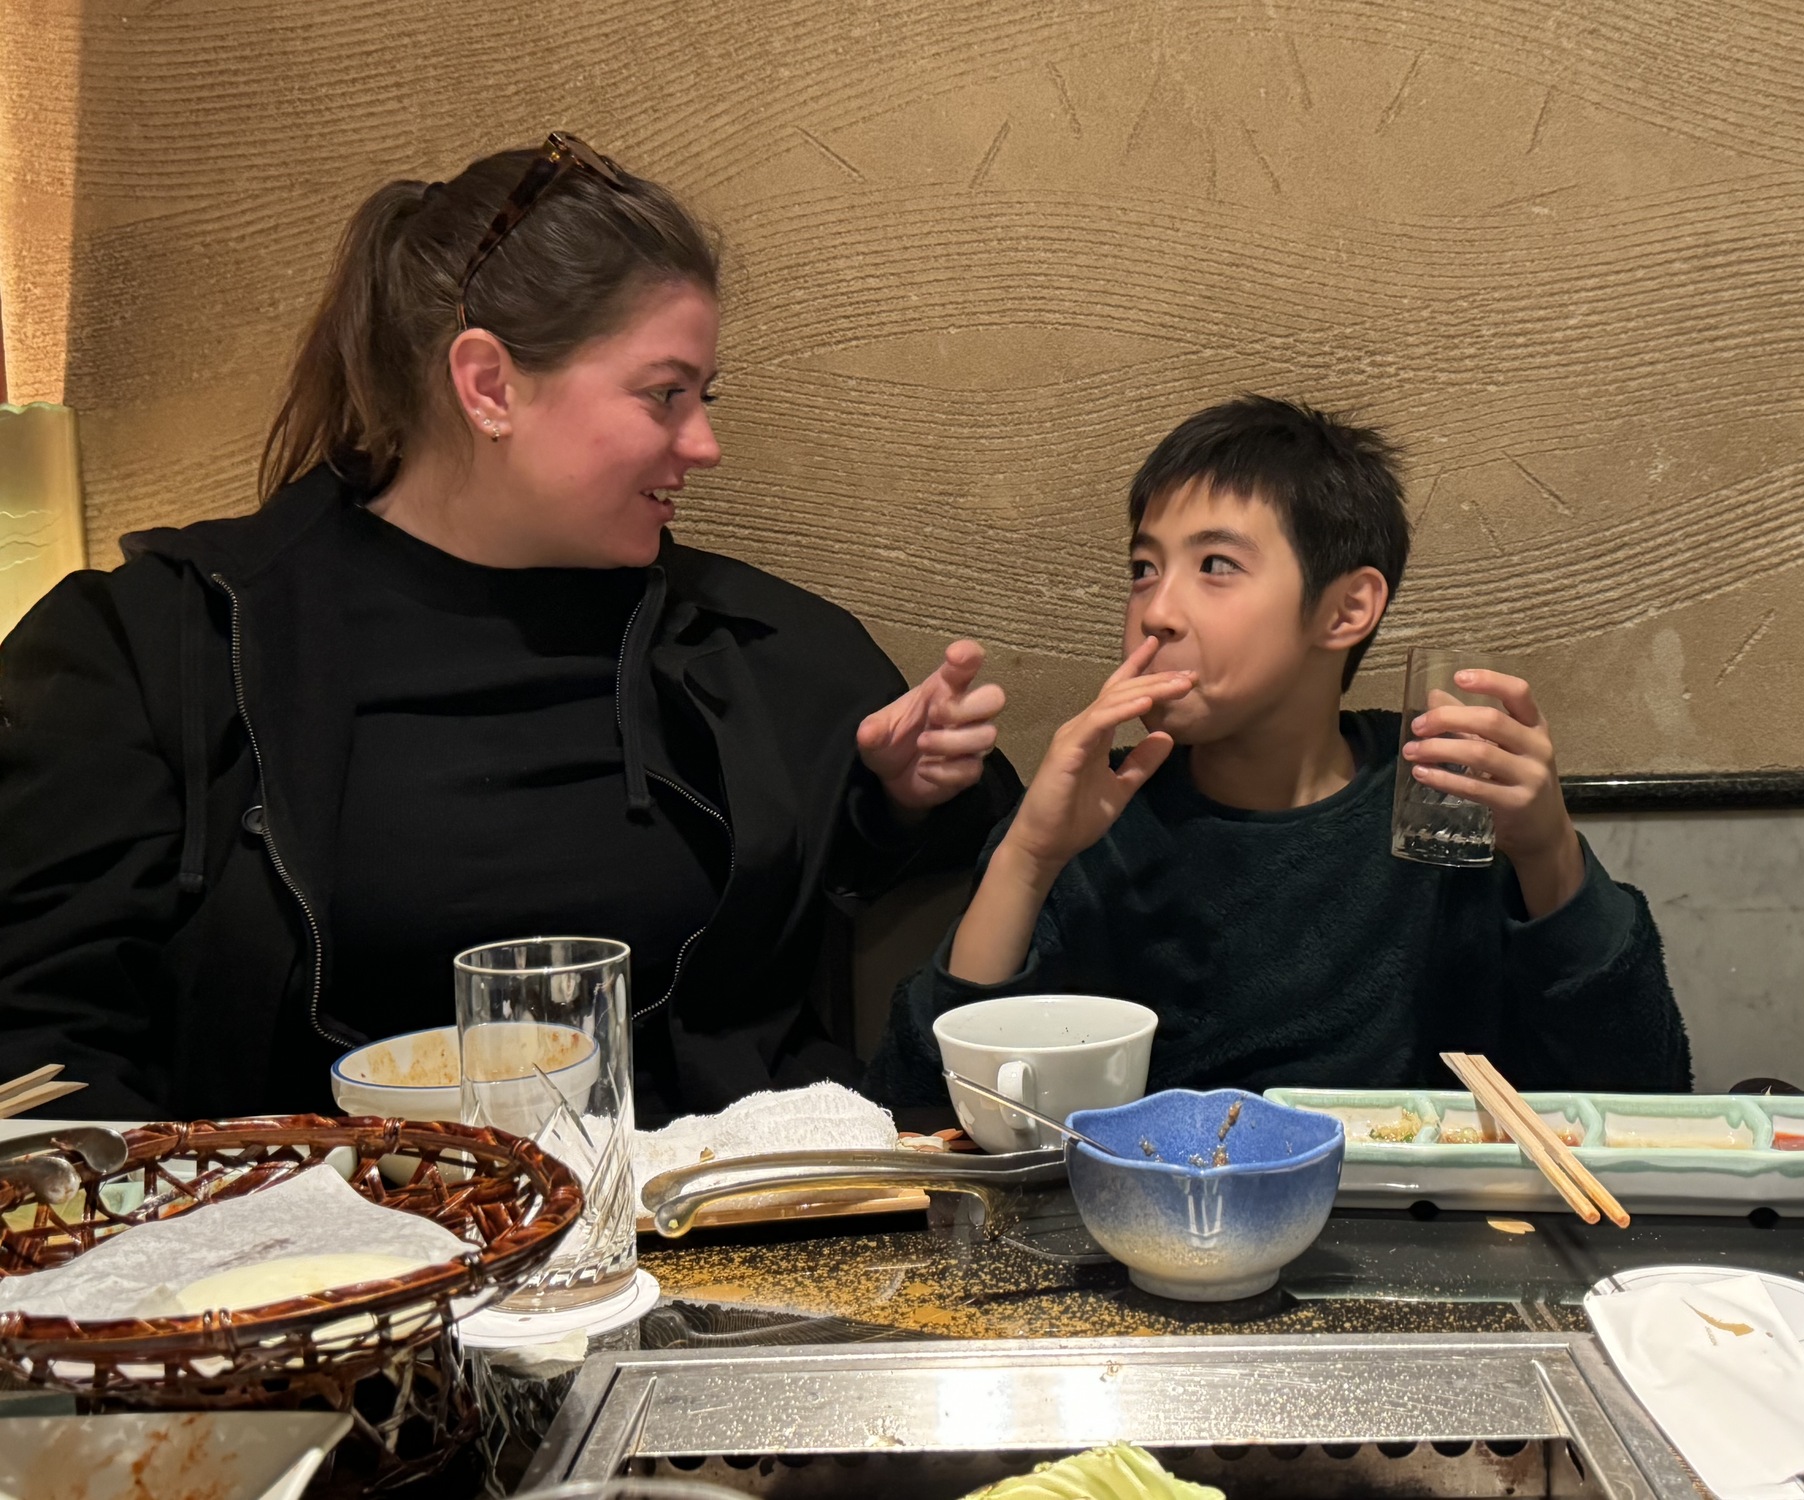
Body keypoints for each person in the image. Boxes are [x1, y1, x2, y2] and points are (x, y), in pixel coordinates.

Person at [0, 133, 1019, 1124]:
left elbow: (968, 865)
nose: (705, 444)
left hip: (694, 1209)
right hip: (319, 1219)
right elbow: (44, 1046)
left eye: (703, 397)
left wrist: (899, 797)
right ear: (488, 385)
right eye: (664, 395)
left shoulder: (750, 644)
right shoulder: (158, 647)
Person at [867, 396, 1689, 1105]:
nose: (1158, 611)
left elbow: (1642, 1095)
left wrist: (1546, 850)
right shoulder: (1099, 814)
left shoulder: (1441, 790)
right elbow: (919, 1114)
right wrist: (1028, 858)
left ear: (1346, 609)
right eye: (1144, 568)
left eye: (1215, 565)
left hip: (1409, 1220)